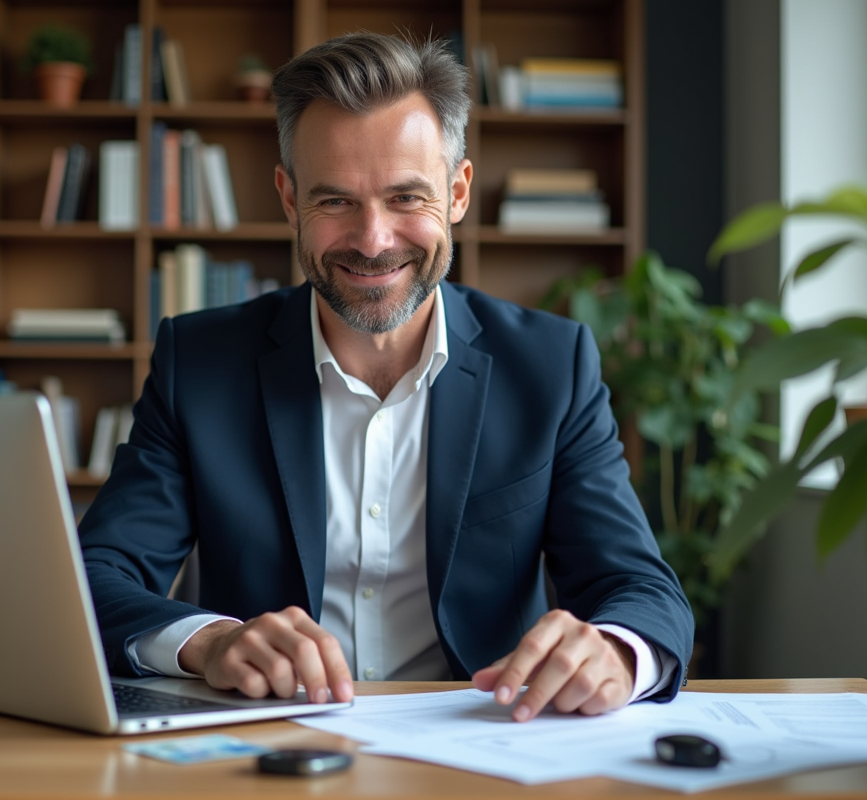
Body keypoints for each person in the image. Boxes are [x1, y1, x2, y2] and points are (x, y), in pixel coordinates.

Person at [78, 31, 693, 723]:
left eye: (407, 198)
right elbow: (93, 578)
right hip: (269, 745)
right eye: (336, 201)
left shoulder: (552, 366)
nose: (373, 240)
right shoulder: (200, 363)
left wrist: (612, 651)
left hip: (482, 743)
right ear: (289, 199)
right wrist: (211, 641)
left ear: (458, 192)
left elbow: (641, 588)